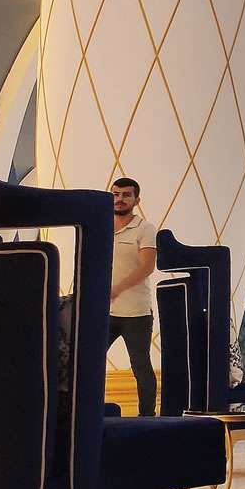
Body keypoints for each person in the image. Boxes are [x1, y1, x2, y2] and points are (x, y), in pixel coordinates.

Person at [108, 177, 157, 416]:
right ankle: (85, 412)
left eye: (126, 195)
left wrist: (118, 288)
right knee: (86, 361)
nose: (120, 199)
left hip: (135, 313)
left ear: (137, 200)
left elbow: (147, 266)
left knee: (140, 365)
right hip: (105, 311)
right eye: (116, 194)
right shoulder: (102, 227)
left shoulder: (144, 229)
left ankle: (147, 417)